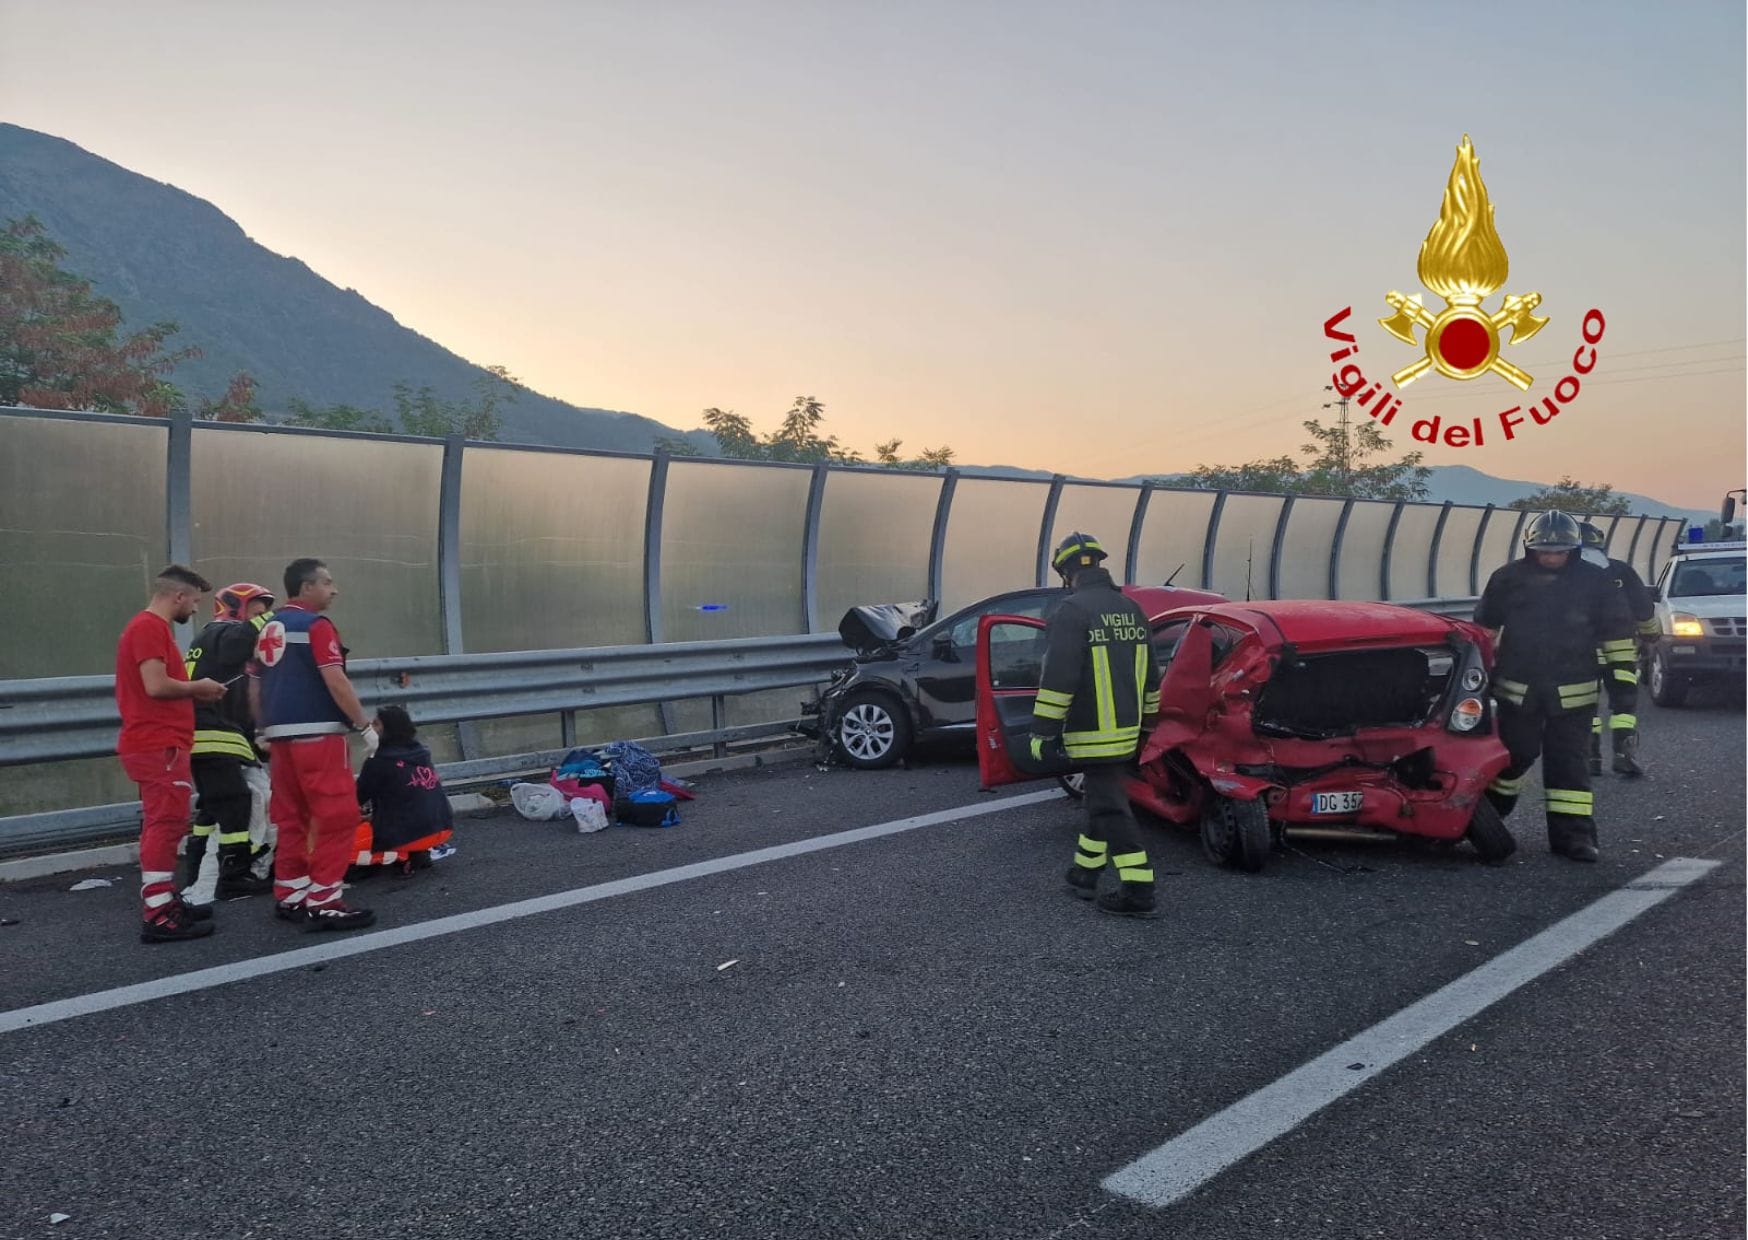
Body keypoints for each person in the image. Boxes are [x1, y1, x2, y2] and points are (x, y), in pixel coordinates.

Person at [1475, 511, 1634, 863]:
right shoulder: (1507, 579)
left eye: (1559, 551)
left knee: (1569, 766)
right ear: (1529, 548)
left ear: (1573, 549)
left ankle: (1574, 838)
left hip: (1575, 695)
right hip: (1517, 692)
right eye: (1544, 551)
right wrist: (1476, 681)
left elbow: (1618, 637)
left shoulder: (1596, 582)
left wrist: (1623, 687)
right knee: (1514, 757)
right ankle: (1486, 820)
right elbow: (1484, 632)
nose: (1551, 558)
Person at [1028, 532, 1163, 918]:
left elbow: (1058, 680)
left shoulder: (1071, 611)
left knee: (1110, 809)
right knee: (1101, 801)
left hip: (1092, 734)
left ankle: (1138, 891)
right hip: (1129, 731)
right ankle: (1084, 874)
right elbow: (1152, 678)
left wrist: (1042, 732)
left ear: (1065, 571)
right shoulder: (1132, 609)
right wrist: (1147, 728)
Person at [252, 558, 376, 931]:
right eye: (327, 582)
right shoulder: (316, 626)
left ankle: (291, 895)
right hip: (319, 735)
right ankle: (324, 901)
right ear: (307, 588)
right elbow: (335, 680)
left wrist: (261, 729)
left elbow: (254, 686)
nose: (334, 590)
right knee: (338, 816)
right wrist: (364, 725)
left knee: (292, 817)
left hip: (279, 739)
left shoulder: (268, 627)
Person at [114, 565, 229, 943]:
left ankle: (162, 901)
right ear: (178, 596)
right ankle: (159, 913)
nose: (195, 609)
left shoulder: (148, 628)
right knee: (165, 823)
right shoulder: (149, 628)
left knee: (164, 822)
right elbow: (155, 685)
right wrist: (199, 687)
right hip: (158, 743)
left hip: (158, 742)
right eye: (194, 601)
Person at [177, 582, 278, 901]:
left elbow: (239, 703)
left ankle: (198, 869)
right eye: (256, 612)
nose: (261, 619)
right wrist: (281, 617)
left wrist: (255, 741)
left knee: (213, 805)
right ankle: (234, 874)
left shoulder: (210, 643)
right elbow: (240, 642)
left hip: (213, 735)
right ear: (236, 609)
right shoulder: (222, 633)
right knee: (236, 801)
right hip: (213, 736)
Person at [1578, 521, 1657, 778]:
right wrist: (1650, 635)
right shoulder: (1620, 570)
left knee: (1585, 703)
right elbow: (1644, 608)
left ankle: (1590, 758)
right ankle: (1624, 755)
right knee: (1624, 702)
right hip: (1620, 650)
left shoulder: (1565, 575)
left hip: (1580, 652)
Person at [353, 704, 454, 875]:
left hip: (409, 833)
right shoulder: (422, 753)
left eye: (376, 724)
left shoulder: (378, 761)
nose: (371, 727)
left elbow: (355, 799)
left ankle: (403, 856)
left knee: (338, 847)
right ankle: (415, 852)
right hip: (442, 828)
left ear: (386, 729)